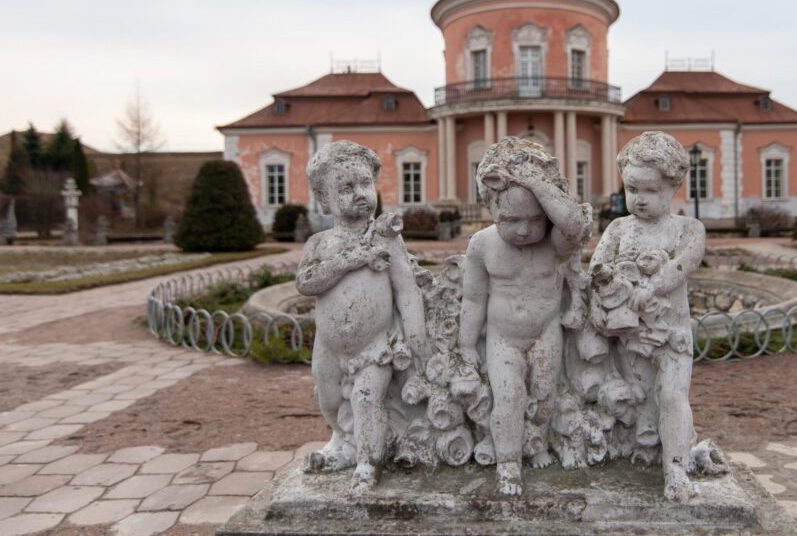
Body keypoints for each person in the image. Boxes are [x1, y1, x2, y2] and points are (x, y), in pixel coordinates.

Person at [459, 137, 590, 496]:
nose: (522, 230)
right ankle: (508, 464)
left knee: (544, 396)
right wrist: (467, 344)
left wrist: (534, 180)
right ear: (492, 209)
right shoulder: (483, 245)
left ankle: (536, 443)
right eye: (511, 219)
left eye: (534, 220)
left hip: (545, 330)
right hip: (503, 337)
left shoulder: (554, 242)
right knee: (509, 396)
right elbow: (472, 300)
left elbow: (575, 225)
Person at [296, 141, 428, 493]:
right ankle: (341, 442)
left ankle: (368, 462)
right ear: (324, 201)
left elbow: (406, 289)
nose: (359, 194)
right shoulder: (320, 244)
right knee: (328, 398)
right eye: (346, 188)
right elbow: (306, 283)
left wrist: (417, 337)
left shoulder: (386, 238)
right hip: (330, 346)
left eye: (365, 184)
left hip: (376, 345)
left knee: (368, 399)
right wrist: (347, 261)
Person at [589, 131, 705, 502]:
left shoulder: (688, 229)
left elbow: (680, 267)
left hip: (671, 334)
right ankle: (638, 453)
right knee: (638, 398)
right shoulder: (618, 228)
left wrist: (651, 287)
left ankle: (676, 469)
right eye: (631, 189)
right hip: (628, 336)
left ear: (672, 187)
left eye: (649, 191)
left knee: (671, 396)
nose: (637, 199)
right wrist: (606, 285)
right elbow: (596, 267)